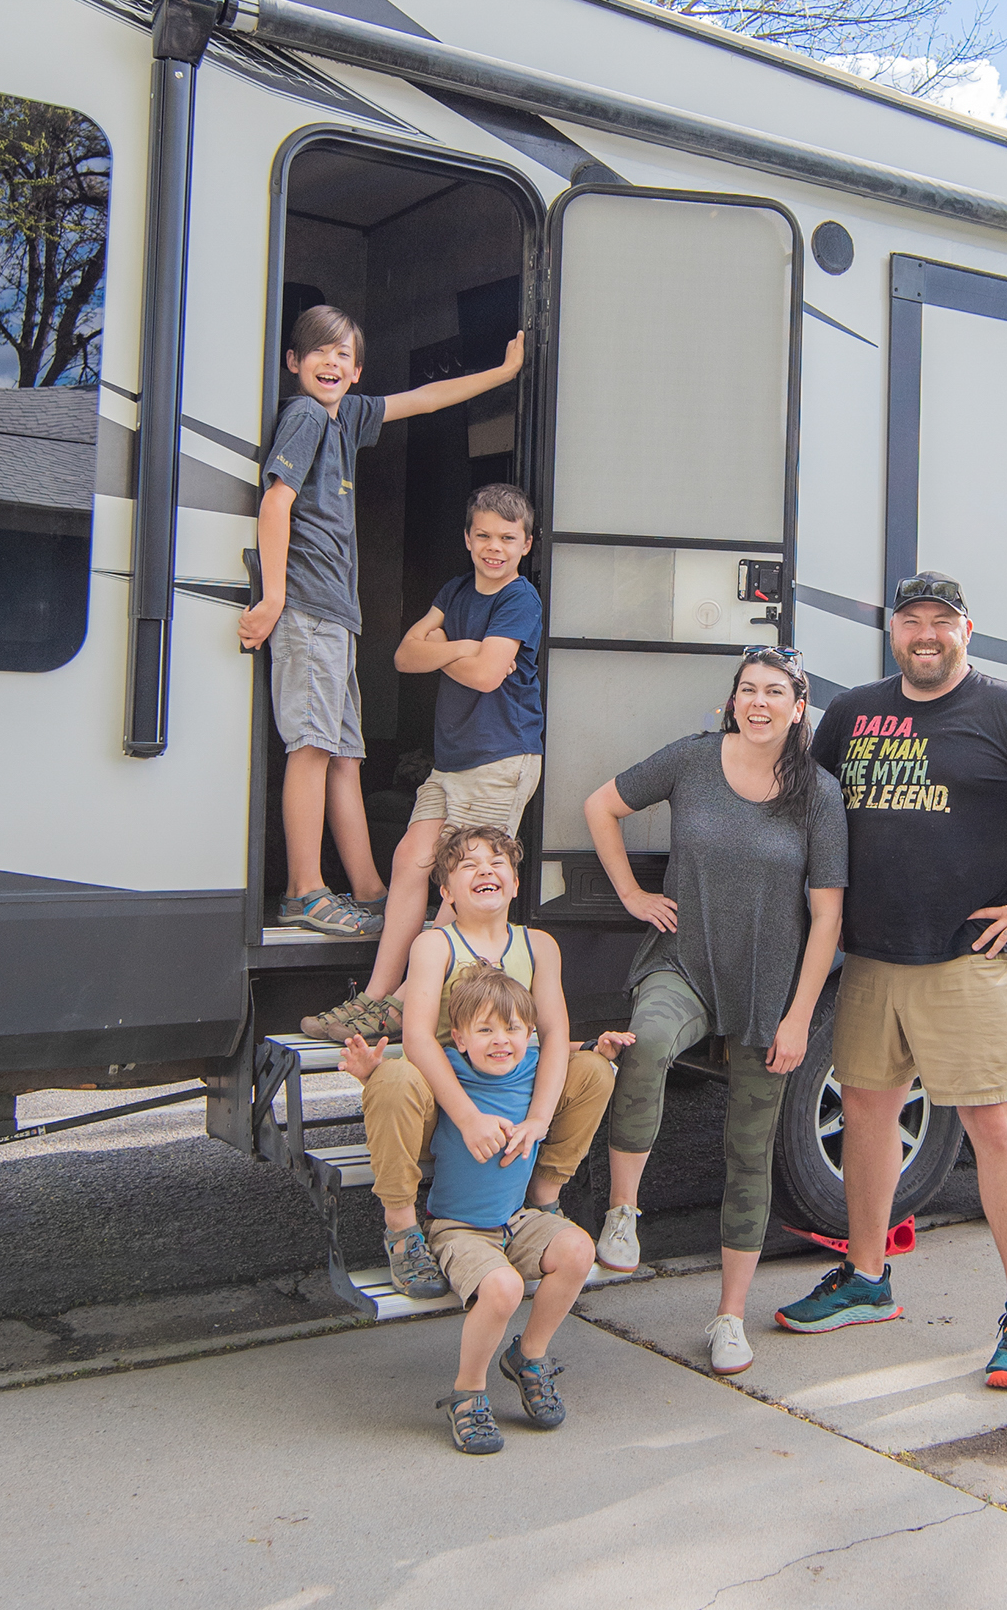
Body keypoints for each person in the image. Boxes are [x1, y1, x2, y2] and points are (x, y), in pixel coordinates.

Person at [772, 569, 1007, 1392]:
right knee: (865, 1107)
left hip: (969, 958)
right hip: (873, 955)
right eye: (910, 620)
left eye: (941, 621)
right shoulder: (854, 711)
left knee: (995, 1125)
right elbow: (807, 802)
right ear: (892, 630)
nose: (925, 634)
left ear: (969, 630)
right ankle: (866, 1277)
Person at [581, 647, 847, 1378]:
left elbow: (826, 919)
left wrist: (798, 1018)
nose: (757, 702)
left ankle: (730, 1315)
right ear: (732, 700)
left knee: (748, 1147)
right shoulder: (693, 761)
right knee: (647, 1040)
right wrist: (633, 896)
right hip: (685, 962)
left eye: (774, 691)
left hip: (770, 988)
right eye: (747, 689)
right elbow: (601, 805)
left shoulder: (818, 795)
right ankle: (624, 1211)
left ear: (799, 707)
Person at [238, 304, 523, 935]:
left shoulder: (348, 416)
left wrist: (502, 374)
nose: (332, 363)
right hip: (309, 607)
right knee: (313, 747)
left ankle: (366, 887)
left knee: (344, 754)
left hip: (336, 615)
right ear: (293, 362)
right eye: (319, 351)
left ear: (358, 370)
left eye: (345, 355)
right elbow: (277, 501)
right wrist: (276, 597)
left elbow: (424, 399)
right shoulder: (307, 415)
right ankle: (304, 891)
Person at [337, 827, 627, 1311]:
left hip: (513, 1092)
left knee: (595, 1071)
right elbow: (417, 1038)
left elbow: (554, 1035)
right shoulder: (435, 946)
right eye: (468, 865)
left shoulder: (539, 946)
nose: (485, 870)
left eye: (497, 863)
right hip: (447, 1101)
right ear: (447, 893)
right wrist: (469, 1118)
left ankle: (542, 1196)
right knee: (392, 1076)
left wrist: (537, 1120)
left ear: (515, 884)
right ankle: (404, 1231)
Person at [301, 482, 544, 1044]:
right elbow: (405, 656)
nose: (494, 548)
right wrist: (465, 647)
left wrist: (451, 651)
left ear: (525, 545)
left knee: (460, 886)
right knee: (411, 858)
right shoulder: (456, 588)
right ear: (466, 538)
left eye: (507, 538)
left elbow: (488, 676)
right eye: (483, 535)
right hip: (452, 760)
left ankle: (408, 1003)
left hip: (500, 759)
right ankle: (374, 996)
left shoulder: (519, 599)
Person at [406, 963, 600, 1453]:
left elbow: (569, 1053)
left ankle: (528, 1357)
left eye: (513, 1028)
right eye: (486, 1029)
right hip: (459, 1228)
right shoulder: (450, 1070)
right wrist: (367, 1068)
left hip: (516, 1219)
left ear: (529, 1034)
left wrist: (604, 1046)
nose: (501, 1040)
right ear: (460, 1037)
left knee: (578, 1249)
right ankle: (468, 1395)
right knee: (503, 1287)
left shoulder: (535, 1069)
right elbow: (407, 1077)